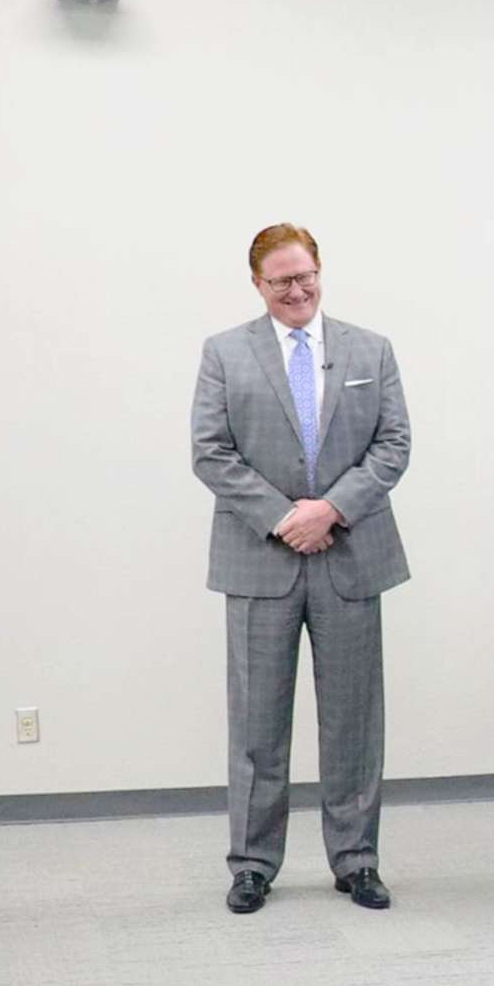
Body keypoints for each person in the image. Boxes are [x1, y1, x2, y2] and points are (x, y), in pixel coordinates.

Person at [190, 224, 411, 916]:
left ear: (320, 272)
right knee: (257, 725)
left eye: (306, 276)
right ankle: (253, 864)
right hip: (262, 558)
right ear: (257, 284)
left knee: (353, 722)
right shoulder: (225, 353)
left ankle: (357, 860)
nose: (298, 290)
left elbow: (394, 444)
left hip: (350, 556)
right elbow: (210, 451)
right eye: (282, 281)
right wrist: (288, 517)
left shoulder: (369, 349)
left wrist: (332, 510)